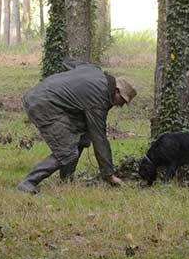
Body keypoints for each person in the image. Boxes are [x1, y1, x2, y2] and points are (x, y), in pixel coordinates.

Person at [17, 60, 137, 194]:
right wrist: (109, 174)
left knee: (83, 137)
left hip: (43, 97)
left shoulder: (95, 71)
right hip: (43, 104)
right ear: (116, 90)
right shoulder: (99, 98)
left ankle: (66, 178)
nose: (120, 105)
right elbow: (99, 139)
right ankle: (28, 182)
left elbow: (71, 63)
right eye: (122, 100)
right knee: (66, 152)